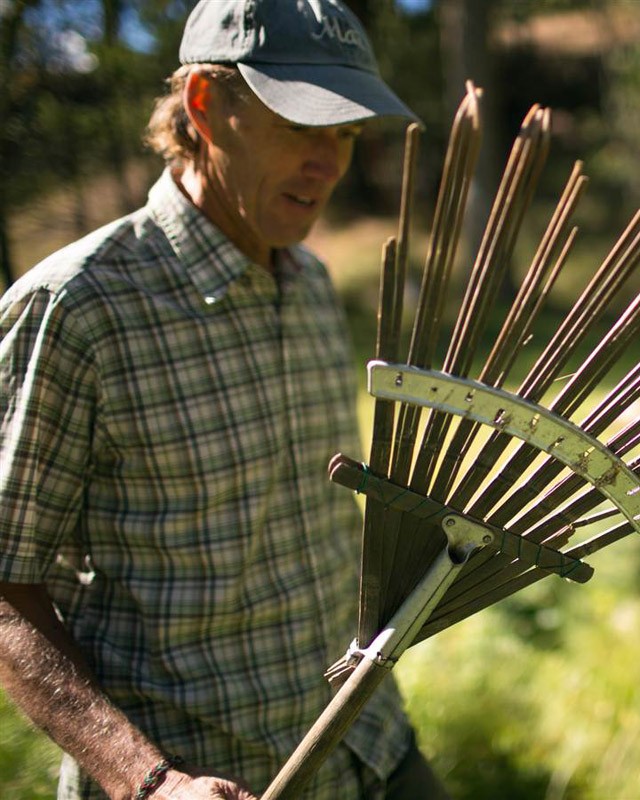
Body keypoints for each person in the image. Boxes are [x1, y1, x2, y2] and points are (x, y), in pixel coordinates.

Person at [0, 1, 448, 797]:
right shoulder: (79, 309)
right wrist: (149, 781)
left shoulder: (309, 283)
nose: (329, 164)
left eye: (347, 132)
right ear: (206, 105)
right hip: (208, 777)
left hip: (370, 743)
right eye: (301, 125)